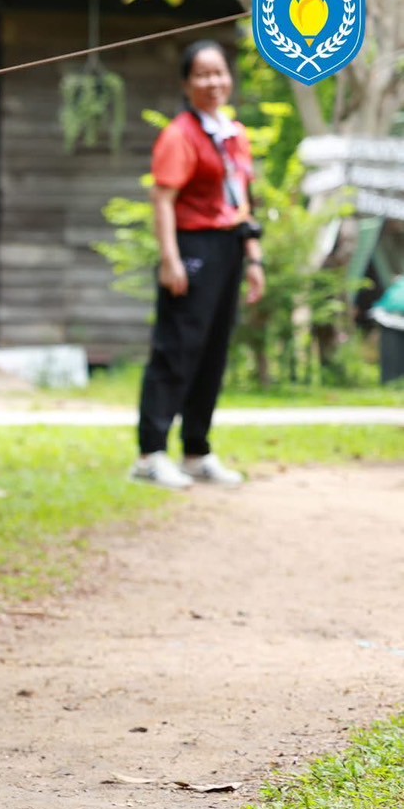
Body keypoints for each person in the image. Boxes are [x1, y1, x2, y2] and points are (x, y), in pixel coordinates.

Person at [132, 39, 266, 489]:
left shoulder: (234, 134)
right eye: (202, 74)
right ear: (186, 84)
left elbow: (243, 201)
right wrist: (170, 259)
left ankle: (196, 451)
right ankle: (150, 454)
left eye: (219, 72)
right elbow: (163, 200)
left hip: (229, 248)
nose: (213, 82)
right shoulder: (180, 135)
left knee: (212, 352)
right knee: (176, 350)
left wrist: (254, 260)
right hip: (192, 246)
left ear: (229, 78)